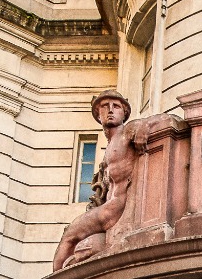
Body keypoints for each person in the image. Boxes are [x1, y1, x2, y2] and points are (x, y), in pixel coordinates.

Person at [52, 90, 150, 272]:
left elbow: (160, 120)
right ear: (98, 114)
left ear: (124, 113)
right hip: (108, 207)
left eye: (116, 106)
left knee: (69, 235)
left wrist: (142, 127)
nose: (111, 110)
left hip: (114, 208)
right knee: (77, 244)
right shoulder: (112, 143)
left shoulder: (127, 131)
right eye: (105, 106)